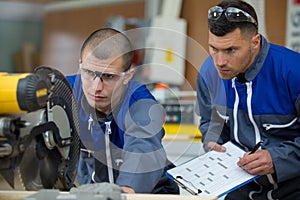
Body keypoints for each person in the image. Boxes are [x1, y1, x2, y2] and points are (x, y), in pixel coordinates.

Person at [196, 0, 300, 199]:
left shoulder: (294, 73)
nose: (219, 62)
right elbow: (210, 122)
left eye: (231, 50)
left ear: (255, 42)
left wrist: (277, 160)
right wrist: (212, 142)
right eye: (213, 48)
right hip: (238, 192)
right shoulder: (208, 74)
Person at [66, 27, 179, 194]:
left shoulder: (141, 104)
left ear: (127, 76)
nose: (96, 87)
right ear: (80, 65)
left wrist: (126, 191)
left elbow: (143, 148)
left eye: (109, 76)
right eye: (89, 73)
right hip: (96, 192)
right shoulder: (66, 91)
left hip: (148, 194)